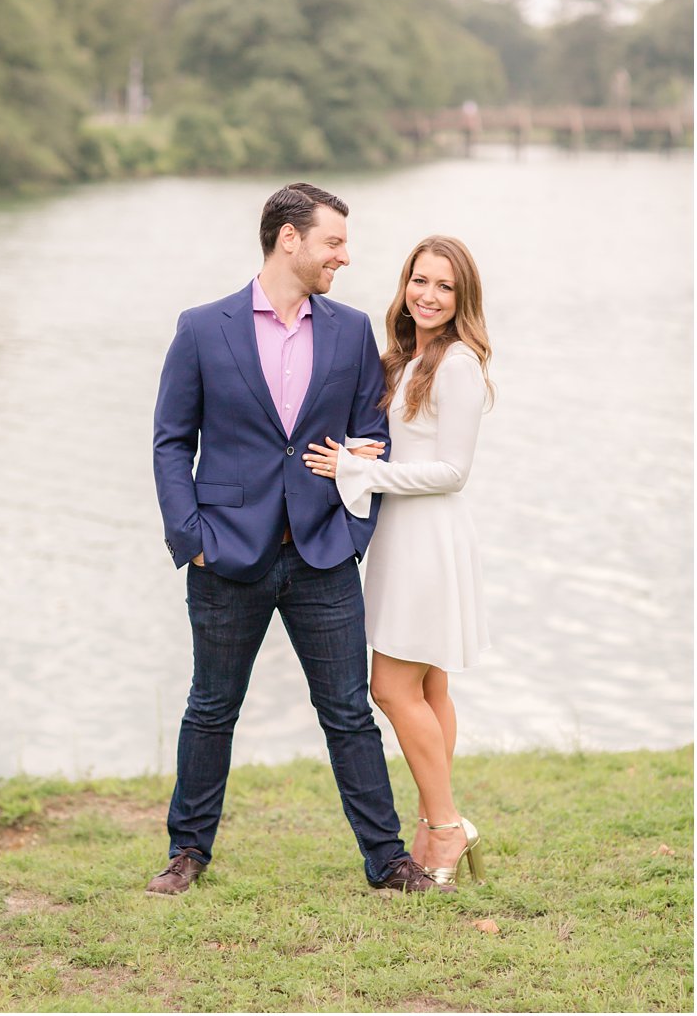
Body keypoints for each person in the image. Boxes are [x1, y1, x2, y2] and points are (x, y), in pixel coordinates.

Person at [149, 182, 452, 896]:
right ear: (290, 239)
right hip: (224, 554)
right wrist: (189, 535)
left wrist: (353, 530)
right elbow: (170, 442)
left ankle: (387, 861)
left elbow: (371, 438)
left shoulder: (349, 332)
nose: (345, 257)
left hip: (322, 554)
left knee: (348, 712)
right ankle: (186, 852)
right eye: (334, 242)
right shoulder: (201, 327)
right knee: (211, 707)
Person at [302, 235, 492, 886]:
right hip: (402, 536)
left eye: (444, 286)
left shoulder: (459, 363)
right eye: (420, 280)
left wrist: (363, 469)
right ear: (405, 284)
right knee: (429, 687)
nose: (429, 295)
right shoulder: (409, 358)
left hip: (428, 541)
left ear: (462, 298)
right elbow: (407, 444)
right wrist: (365, 452)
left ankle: (444, 827)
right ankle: (434, 821)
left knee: (389, 686)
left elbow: (453, 470)